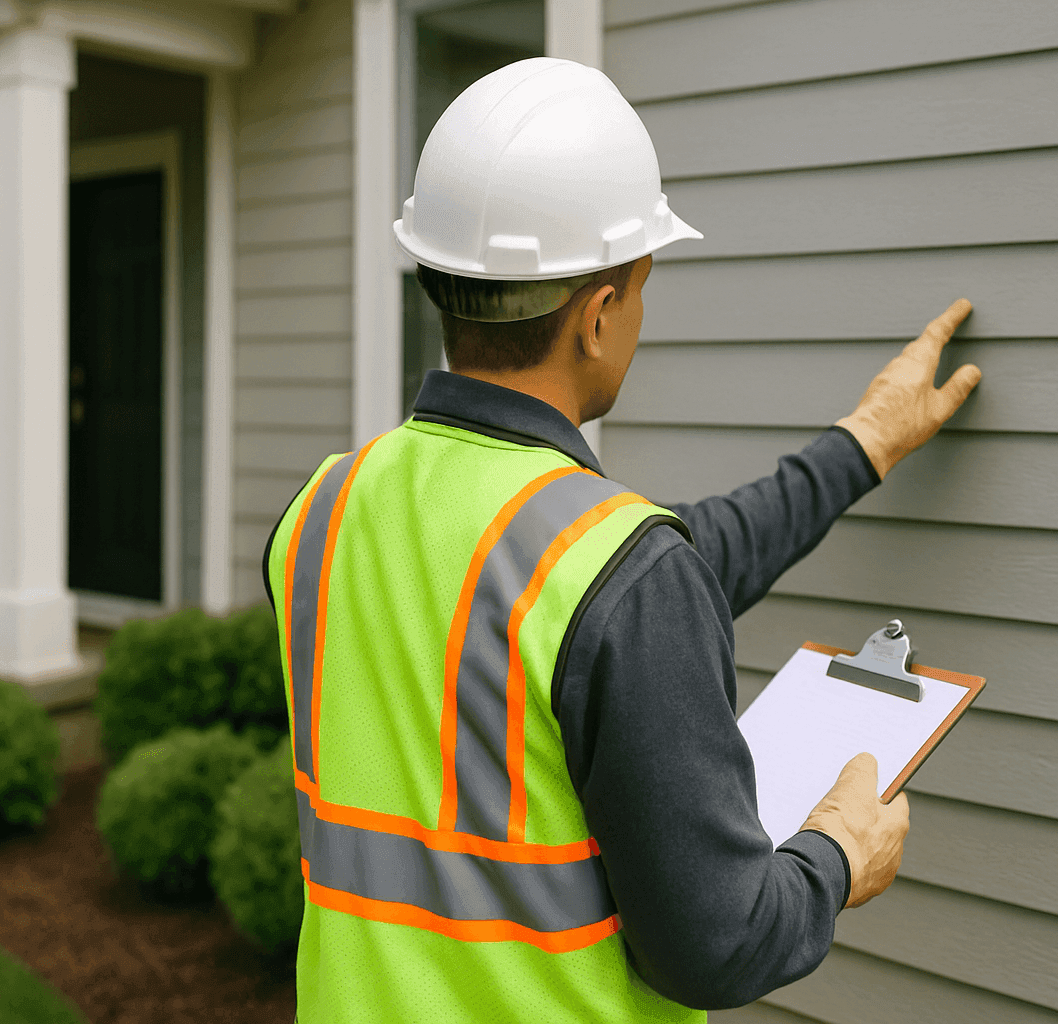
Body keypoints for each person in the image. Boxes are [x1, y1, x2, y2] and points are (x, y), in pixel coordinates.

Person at [262, 57, 982, 1022]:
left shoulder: (320, 514)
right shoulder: (617, 573)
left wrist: (863, 444)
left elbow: (642, 577)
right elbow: (717, 946)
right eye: (640, 286)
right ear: (600, 316)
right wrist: (836, 856)